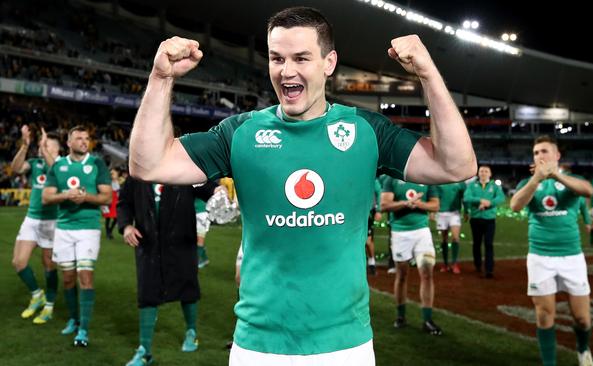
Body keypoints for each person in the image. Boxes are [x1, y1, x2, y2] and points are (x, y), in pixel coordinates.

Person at [128, 6, 476, 364]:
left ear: (329, 62)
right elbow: (148, 163)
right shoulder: (239, 133)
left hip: (346, 347)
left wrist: (428, 74)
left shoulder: (366, 131)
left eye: (301, 58)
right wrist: (160, 78)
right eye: (277, 58)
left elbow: (456, 165)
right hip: (258, 347)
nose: (286, 71)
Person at [511, 136, 593, 366]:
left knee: (582, 318)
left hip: (572, 257)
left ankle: (583, 349)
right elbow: (515, 205)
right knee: (544, 315)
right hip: (540, 257)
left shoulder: (570, 180)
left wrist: (555, 174)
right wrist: (536, 179)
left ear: (556, 156)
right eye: (536, 153)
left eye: (544, 151)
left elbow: (588, 190)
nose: (539, 156)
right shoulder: (529, 183)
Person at [117, 175, 218, 366]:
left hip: (181, 241)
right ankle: (145, 351)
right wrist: (126, 226)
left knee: (187, 286)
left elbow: (206, 187)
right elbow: (124, 203)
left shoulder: (181, 170)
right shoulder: (138, 172)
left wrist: (217, 190)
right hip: (147, 243)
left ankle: (191, 332)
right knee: (147, 292)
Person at [42, 125, 112, 347]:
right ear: (69, 143)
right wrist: (66, 195)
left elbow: (107, 197)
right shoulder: (59, 166)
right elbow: (46, 197)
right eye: (79, 138)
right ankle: (74, 319)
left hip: (88, 228)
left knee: (85, 277)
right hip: (63, 229)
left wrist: (85, 198)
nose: (84, 141)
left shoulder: (97, 163)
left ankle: (83, 330)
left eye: (87, 138)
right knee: (68, 278)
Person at [10, 125, 60, 324]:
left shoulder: (62, 165)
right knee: (18, 262)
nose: (42, 147)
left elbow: (55, 172)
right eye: (42, 144)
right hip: (32, 219)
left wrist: (45, 150)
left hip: (52, 222)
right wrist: (25, 145)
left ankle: (49, 305)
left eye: (47, 145)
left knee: (49, 264)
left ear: (56, 150)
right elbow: (15, 168)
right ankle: (37, 294)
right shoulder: (34, 163)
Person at [381, 177, 442, 335]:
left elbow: (435, 205)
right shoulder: (391, 178)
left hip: (422, 233)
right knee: (401, 275)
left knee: (427, 274)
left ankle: (427, 320)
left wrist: (419, 204)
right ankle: (401, 316)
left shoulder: (427, 179)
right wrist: (406, 203)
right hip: (400, 233)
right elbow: (384, 205)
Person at [463, 165, 505, 278]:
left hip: (489, 219)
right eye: (481, 171)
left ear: (490, 174)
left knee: (488, 244)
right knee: (476, 243)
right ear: (478, 173)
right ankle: (477, 265)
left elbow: (501, 198)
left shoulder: (494, 186)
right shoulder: (472, 185)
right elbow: (466, 198)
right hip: (475, 219)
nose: (483, 173)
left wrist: (489, 203)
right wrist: (480, 201)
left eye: (486, 171)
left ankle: (489, 269)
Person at [432, 181, 465, 274]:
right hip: (441, 213)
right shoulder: (439, 181)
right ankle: (445, 264)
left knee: (455, 237)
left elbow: (464, 197)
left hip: (455, 213)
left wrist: (466, 210)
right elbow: (434, 197)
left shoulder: (460, 182)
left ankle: (454, 264)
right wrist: (433, 212)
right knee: (444, 239)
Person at [366, 178, 382, 275]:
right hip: (355, 212)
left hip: (368, 212)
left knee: (368, 241)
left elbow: (379, 192)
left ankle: (372, 263)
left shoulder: (371, 178)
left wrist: (379, 210)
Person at [101, 167, 120, 240]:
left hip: (115, 202)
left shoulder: (117, 182)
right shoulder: (107, 182)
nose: (113, 175)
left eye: (114, 174)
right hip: (107, 202)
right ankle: (108, 233)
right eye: (112, 174)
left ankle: (110, 231)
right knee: (108, 218)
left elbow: (118, 193)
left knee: (116, 218)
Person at [195, 197, 211, 268]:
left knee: (200, 239)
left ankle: (197, 262)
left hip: (202, 213)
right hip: (195, 211)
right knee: (196, 238)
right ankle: (204, 259)